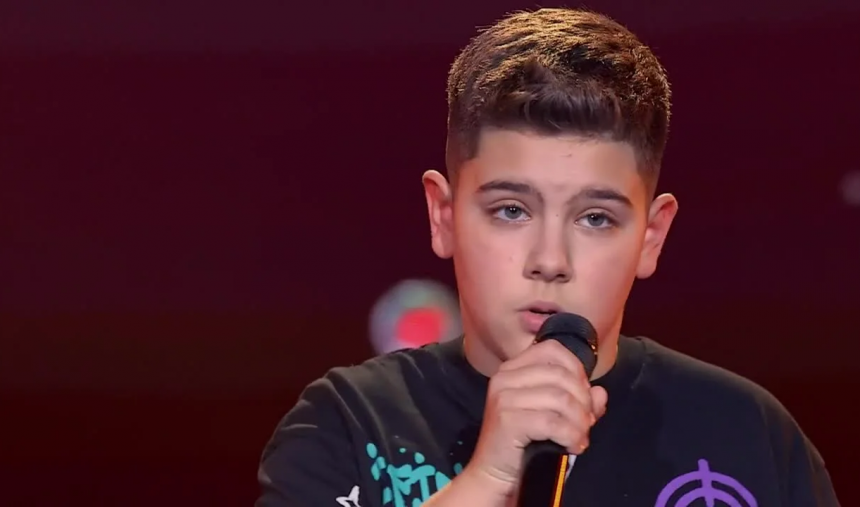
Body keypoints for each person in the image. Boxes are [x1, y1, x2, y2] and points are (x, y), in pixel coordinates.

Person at [255, 7, 839, 507]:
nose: (550, 259)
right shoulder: (347, 424)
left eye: (596, 218)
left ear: (652, 236)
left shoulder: (747, 433)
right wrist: (488, 480)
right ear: (443, 216)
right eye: (511, 210)